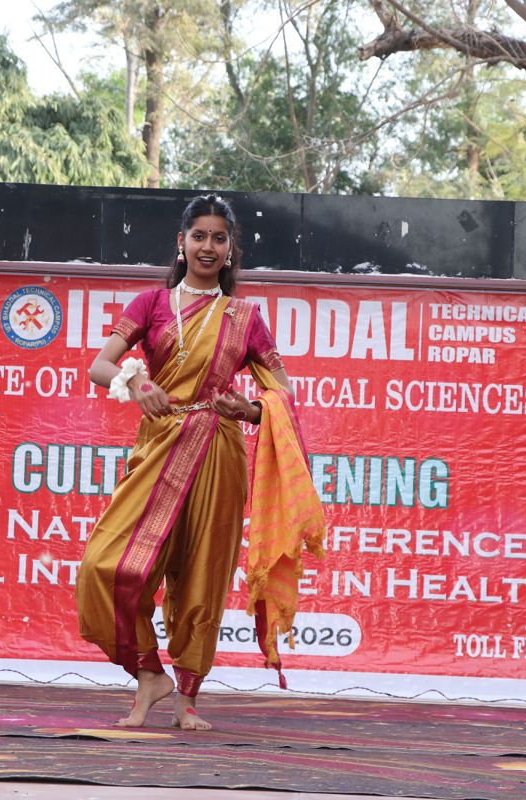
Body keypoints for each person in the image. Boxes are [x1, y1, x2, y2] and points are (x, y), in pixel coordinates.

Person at [76, 194, 324, 731]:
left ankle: (186, 699)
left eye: (219, 238)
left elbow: (283, 395)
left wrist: (250, 409)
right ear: (181, 243)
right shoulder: (151, 304)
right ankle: (148, 672)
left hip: (217, 449)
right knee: (107, 565)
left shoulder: (245, 317)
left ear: (231, 250)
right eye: (199, 236)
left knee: (203, 575)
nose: (208, 246)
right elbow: (100, 366)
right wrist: (136, 383)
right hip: (159, 445)